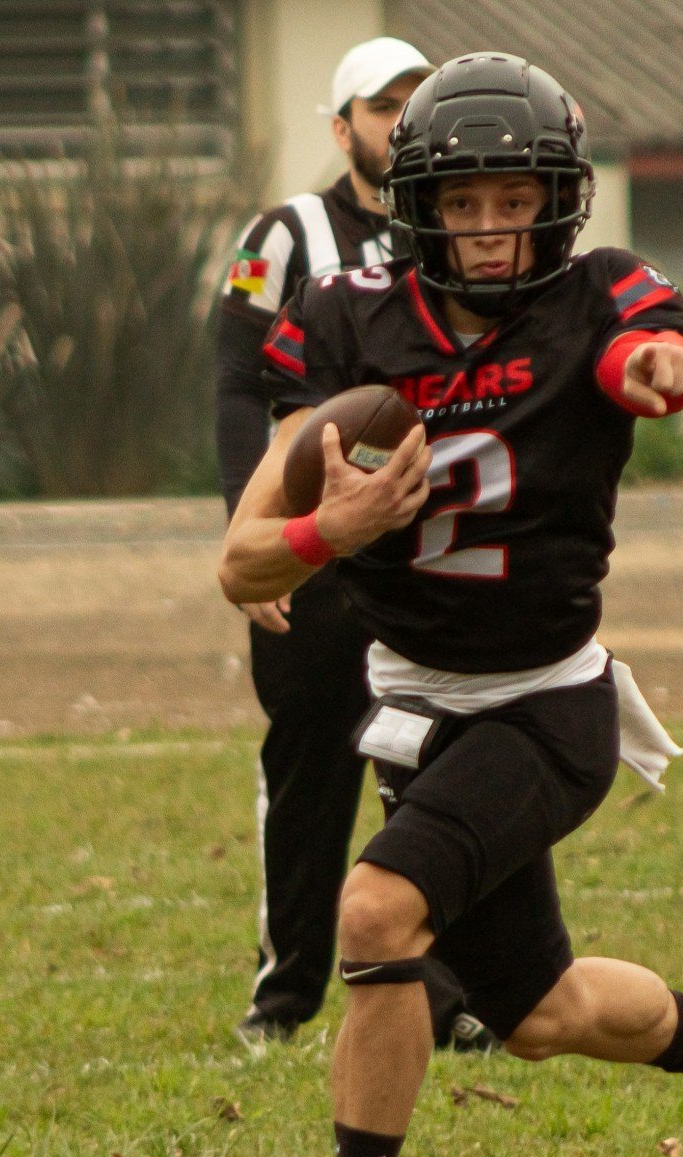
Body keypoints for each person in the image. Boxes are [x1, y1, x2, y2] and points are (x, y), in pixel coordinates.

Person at [217, 52, 683, 1157]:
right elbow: (237, 561)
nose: (495, 230)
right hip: (415, 702)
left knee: (378, 910)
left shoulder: (598, 296)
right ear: (422, 207)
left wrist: (658, 373)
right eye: (467, 204)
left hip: (549, 704)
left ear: (558, 200)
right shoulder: (348, 318)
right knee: (542, 1012)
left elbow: (643, 356)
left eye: (518, 200)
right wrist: (324, 534)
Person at [214, 36, 485, 1050]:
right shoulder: (285, 238)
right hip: (317, 546)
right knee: (310, 770)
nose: (400, 123)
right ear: (343, 128)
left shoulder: (462, 234)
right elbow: (240, 385)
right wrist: (261, 540)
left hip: (422, 554)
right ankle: (283, 998)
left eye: (418, 105)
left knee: (437, 768)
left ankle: (451, 998)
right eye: (383, 108)